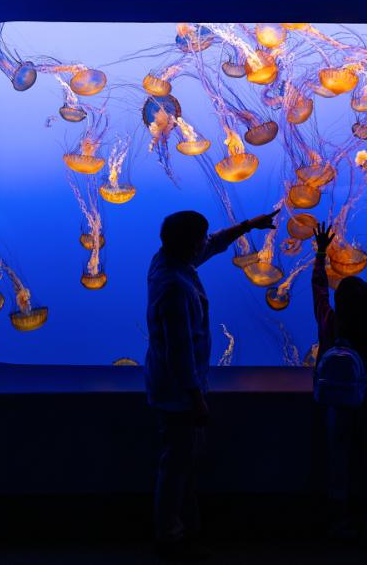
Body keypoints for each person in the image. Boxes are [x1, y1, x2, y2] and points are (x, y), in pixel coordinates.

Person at [146, 208, 277, 559]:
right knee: (175, 464)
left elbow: (215, 244)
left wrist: (248, 225)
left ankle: (183, 524)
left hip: (171, 386)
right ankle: (169, 534)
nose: (205, 242)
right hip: (178, 393)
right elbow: (180, 350)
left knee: (182, 460)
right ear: (190, 244)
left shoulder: (166, 260)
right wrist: (195, 398)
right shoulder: (174, 288)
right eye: (200, 238)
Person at [312, 221, 367, 542]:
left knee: (338, 454)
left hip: (335, 402)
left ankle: (339, 516)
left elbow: (320, 290)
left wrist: (322, 252)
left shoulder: (329, 322)